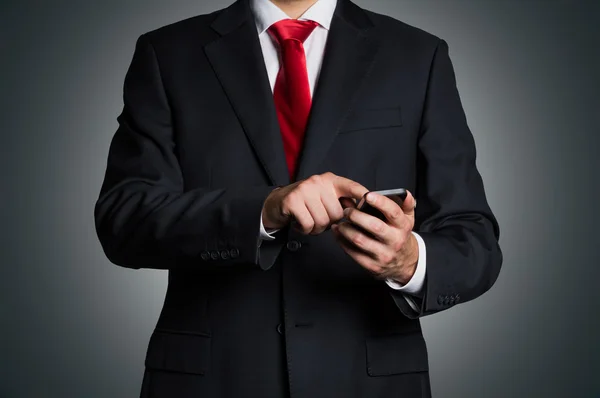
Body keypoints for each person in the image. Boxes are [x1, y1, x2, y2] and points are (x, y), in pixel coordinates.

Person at [94, 0, 502, 396]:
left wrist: (409, 262)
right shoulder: (168, 53)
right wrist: (265, 210)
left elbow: (474, 239)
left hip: (371, 381)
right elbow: (125, 218)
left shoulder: (417, 55)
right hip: (211, 379)